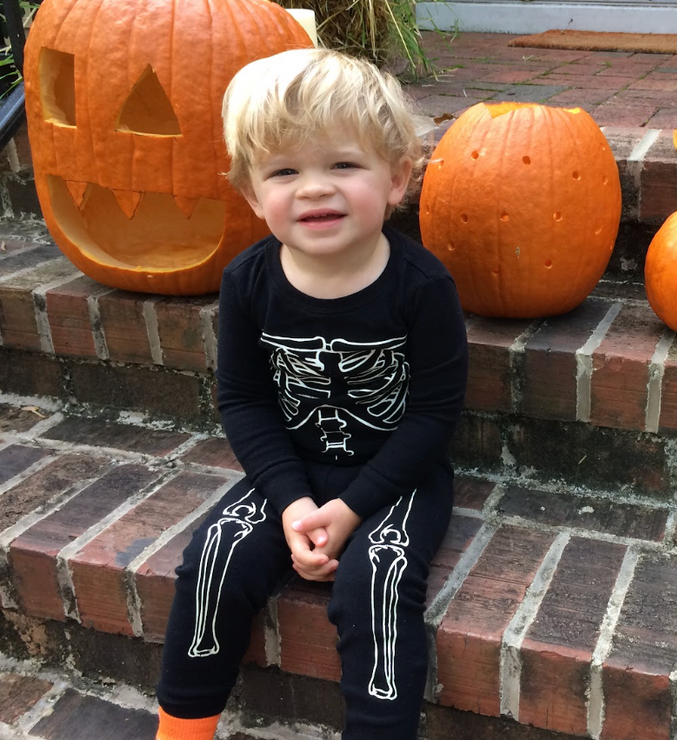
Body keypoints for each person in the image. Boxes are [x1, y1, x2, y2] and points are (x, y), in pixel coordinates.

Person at [154, 48, 469, 740]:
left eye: (342, 164)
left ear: (396, 178)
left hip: (398, 476)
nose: (314, 188)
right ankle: (182, 728)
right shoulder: (247, 283)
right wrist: (294, 502)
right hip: (291, 471)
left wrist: (352, 509)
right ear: (250, 192)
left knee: (376, 580)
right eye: (285, 170)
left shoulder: (423, 286)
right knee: (213, 554)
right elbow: (244, 401)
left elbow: (434, 414)